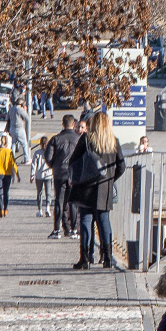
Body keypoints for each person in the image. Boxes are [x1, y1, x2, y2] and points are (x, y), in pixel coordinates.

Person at [70, 112, 127, 270]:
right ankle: (108, 258)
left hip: (86, 187)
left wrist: (77, 178)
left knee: (86, 220)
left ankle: (85, 258)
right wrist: (110, 179)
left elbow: (73, 160)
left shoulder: (87, 139)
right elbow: (122, 167)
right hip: (105, 188)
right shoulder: (113, 142)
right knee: (104, 221)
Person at [46, 115, 82, 241]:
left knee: (59, 201)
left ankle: (56, 230)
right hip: (74, 174)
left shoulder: (55, 139)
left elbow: (48, 157)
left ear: (63, 124)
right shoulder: (79, 139)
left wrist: (54, 166)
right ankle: (74, 230)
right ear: (73, 124)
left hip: (59, 173)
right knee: (73, 202)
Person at [0, 137, 18, 217]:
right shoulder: (9, 152)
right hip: (7, 174)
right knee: (6, 192)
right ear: (7, 143)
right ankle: (5, 209)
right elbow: (13, 164)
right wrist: (17, 175)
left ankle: (0, 209)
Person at [31, 135, 53, 217]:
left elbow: (34, 165)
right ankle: (48, 207)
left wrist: (32, 175)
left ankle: (40, 210)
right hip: (48, 174)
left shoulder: (37, 153)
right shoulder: (50, 152)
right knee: (48, 193)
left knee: (39, 193)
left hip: (39, 176)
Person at [7, 96, 31, 160]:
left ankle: (12, 159)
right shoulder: (20, 109)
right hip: (19, 128)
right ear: (22, 104)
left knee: (13, 144)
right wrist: (25, 110)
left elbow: (7, 118)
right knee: (24, 144)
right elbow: (27, 118)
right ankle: (26, 159)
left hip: (12, 128)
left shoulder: (11, 109)